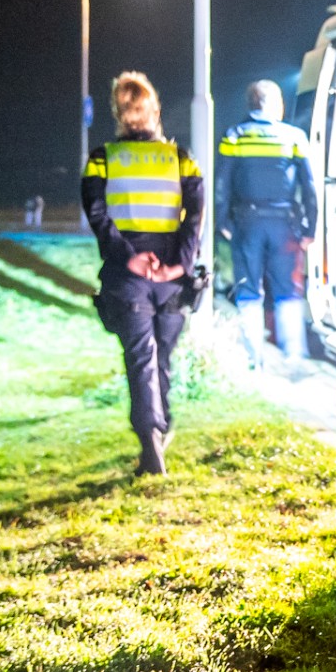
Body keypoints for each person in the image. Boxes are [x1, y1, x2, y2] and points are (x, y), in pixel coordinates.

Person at [81, 72, 204, 476]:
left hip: (127, 275)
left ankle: (151, 440)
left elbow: (98, 216)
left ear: (118, 113)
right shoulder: (180, 158)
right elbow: (195, 217)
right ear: (154, 109)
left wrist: (130, 258)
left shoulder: (102, 159)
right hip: (170, 277)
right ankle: (160, 430)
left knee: (140, 360)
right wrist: (179, 264)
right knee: (162, 358)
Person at [215, 79, 318, 369]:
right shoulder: (294, 137)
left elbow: (222, 182)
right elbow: (309, 186)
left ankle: (254, 358)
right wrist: (311, 228)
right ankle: (295, 355)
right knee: (288, 289)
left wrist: (223, 221)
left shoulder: (235, 136)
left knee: (249, 290)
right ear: (272, 104)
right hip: (285, 225)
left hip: (246, 224)